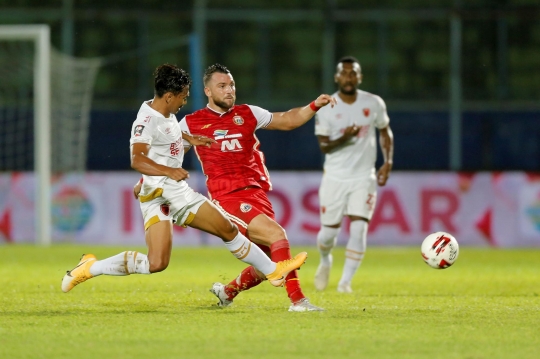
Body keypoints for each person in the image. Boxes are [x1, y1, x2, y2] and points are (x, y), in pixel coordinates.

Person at [61, 64, 307, 293]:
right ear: (169, 96)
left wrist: (190, 139)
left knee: (209, 238)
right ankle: (274, 271)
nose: (185, 100)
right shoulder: (145, 121)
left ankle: (273, 271)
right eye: (183, 96)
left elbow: (167, 138)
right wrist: (167, 171)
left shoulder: (165, 112)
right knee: (184, 249)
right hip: (160, 193)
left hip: (168, 190)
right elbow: (137, 159)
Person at [178, 63, 336, 312]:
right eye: (222, 86)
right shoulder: (190, 123)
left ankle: (226, 292)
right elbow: (169, 155)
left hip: (256, 193)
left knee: (269, 259)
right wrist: (153, 182)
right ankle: (298, 301)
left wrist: (314, 105)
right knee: (277, 235)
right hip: (227, 196)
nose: (229, 90)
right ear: (208, 91)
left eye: (231, 85)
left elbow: (287, 120)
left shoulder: (248, 113)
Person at [313, 56, 394, 293]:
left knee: (359, 227)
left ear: (360, 77)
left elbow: (385, 132)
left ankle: (345, 282)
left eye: (353, 73)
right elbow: (324, 146)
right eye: (344, 73)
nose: (349, 77)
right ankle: (325, 259)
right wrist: (345, 137)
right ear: (336, 77)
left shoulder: (374, 103)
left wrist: (387, 162)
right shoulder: (327, 106)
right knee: (328, 234)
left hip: (363, 177)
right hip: (335, 178)